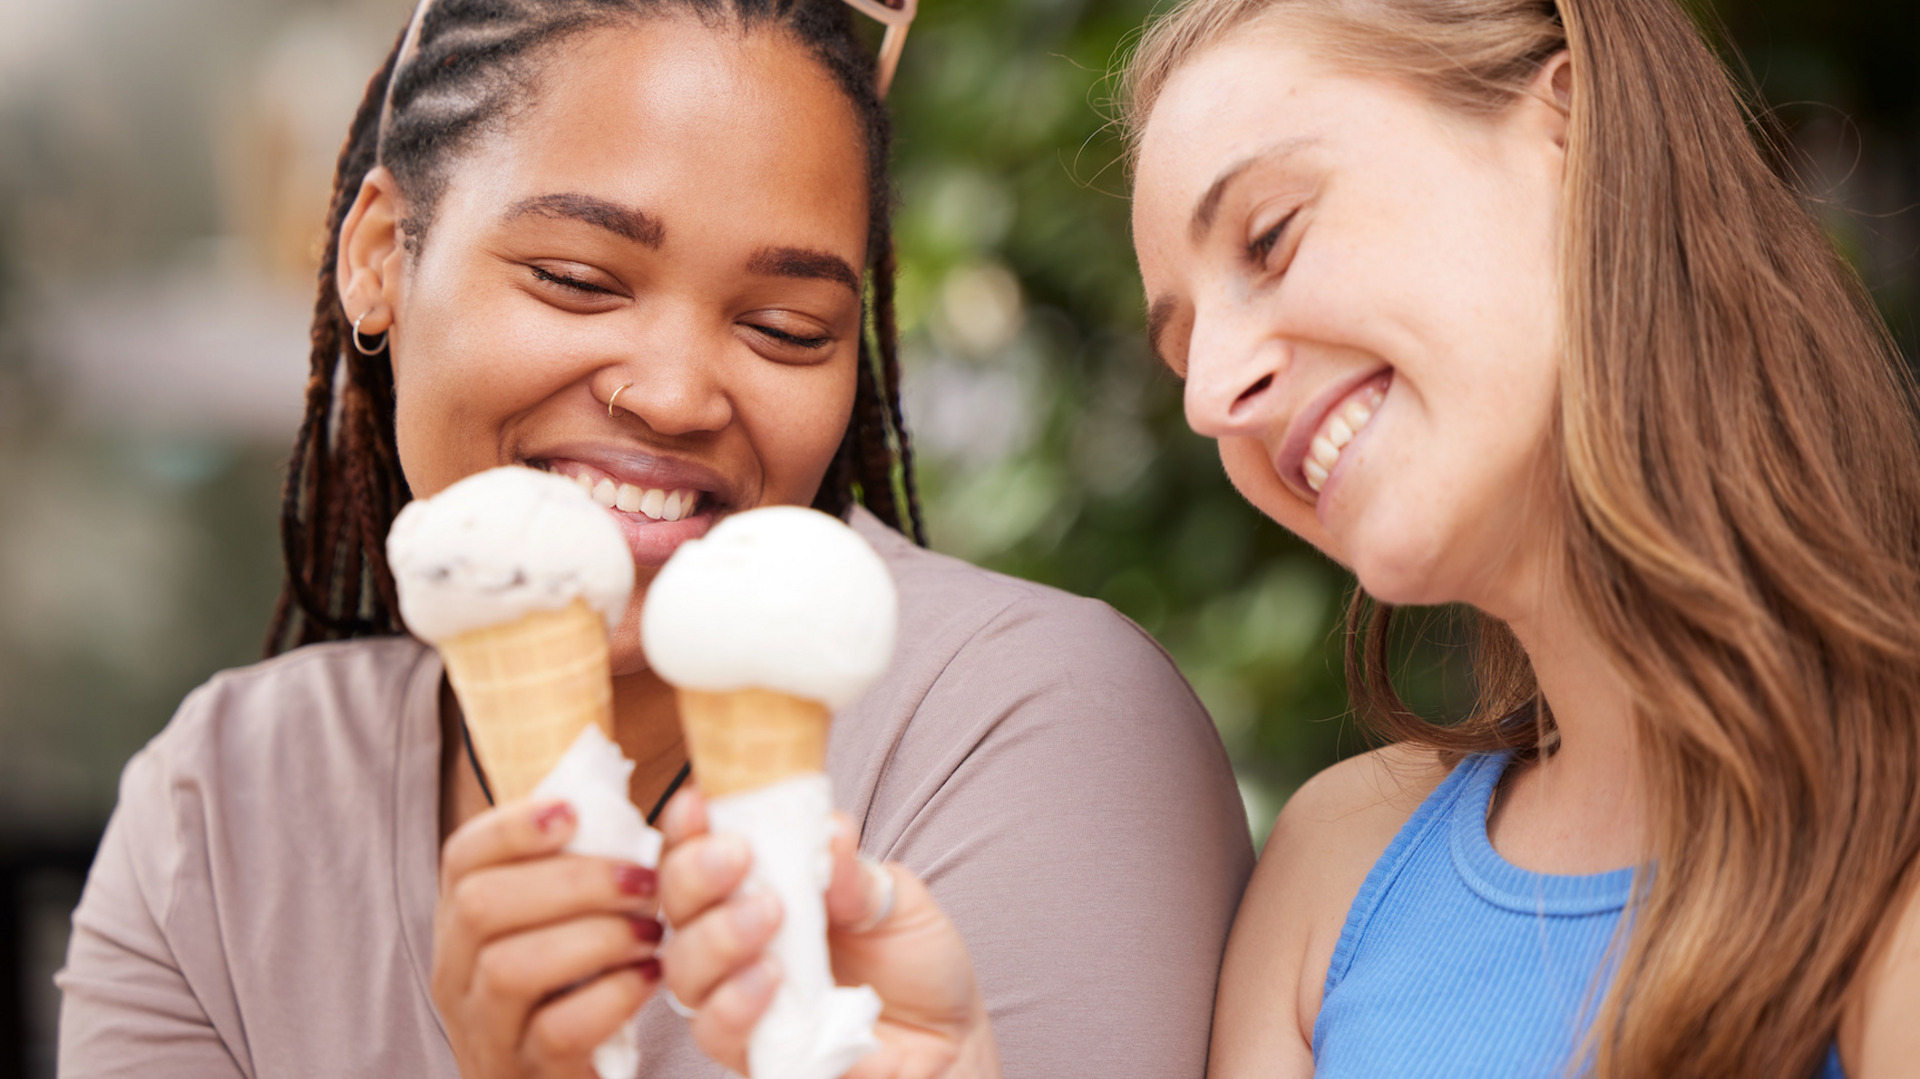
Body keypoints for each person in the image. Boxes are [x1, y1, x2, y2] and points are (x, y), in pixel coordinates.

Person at [656, 0, 1920, 1077]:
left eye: (1271, 234)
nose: (1212, 395)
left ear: (1570, 128)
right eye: (1181, 349)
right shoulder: (1336, 863)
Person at [53, 2, 1254, 1076]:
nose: (676, 393)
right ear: (380, 258)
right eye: (578, 278)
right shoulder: (218, 812)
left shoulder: (1030, 725)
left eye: (785, 327)